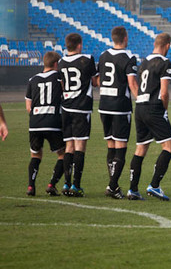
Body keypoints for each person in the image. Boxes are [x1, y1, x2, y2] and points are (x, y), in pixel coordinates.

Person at [127, 33, 171, 201]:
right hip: (154, 108)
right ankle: (154, 185)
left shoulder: (144, 62)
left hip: (140, 107)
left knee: (141, 148)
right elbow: (164, 92)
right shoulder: (165, 62)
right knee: (169, 147)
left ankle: (133, 189)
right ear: (167, 45)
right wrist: (165, 109)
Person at [98, 26, 139, 199]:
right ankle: (112, 185)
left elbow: (98, 80)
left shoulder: (103, 55)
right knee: (121, 147)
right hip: (120, 107)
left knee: (111, 146)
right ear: (125, 38)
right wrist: (141, 100)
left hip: (104, 105)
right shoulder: (129, 57)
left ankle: (113, 185)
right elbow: (132, 83)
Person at [58, 33, 99, 196]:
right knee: (80, 146)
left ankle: (66, 184)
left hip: (66, 107)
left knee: (69, 147)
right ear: (80, 45)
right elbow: (95, 82)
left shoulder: (61, 62)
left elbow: (62, 85)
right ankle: (76, 185)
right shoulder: (87, 59)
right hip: (81, 107)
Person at [24, 51, 66, 196]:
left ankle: (31, 186)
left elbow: (28, 107)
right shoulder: (59, 77)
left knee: (35, 155)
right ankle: (52, 184)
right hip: (53, 122)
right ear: (55, 64)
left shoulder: (32, 80)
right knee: (63, 154)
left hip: (35, 123)